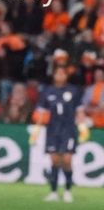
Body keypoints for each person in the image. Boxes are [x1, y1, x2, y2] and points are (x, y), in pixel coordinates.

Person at [36, 60, 88, 202]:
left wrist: (83, 128)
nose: (59, 76)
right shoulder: (47, 91)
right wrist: (36, 132)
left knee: (66, 159)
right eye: (57, 73)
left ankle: (67, 190)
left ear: (66, 76)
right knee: (54, 160)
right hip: (52, 130)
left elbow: (80, 111)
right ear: (54, 75)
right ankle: (53, 192)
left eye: (62, 73)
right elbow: (41, 113)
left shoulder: (74, 91)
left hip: (68, 129)